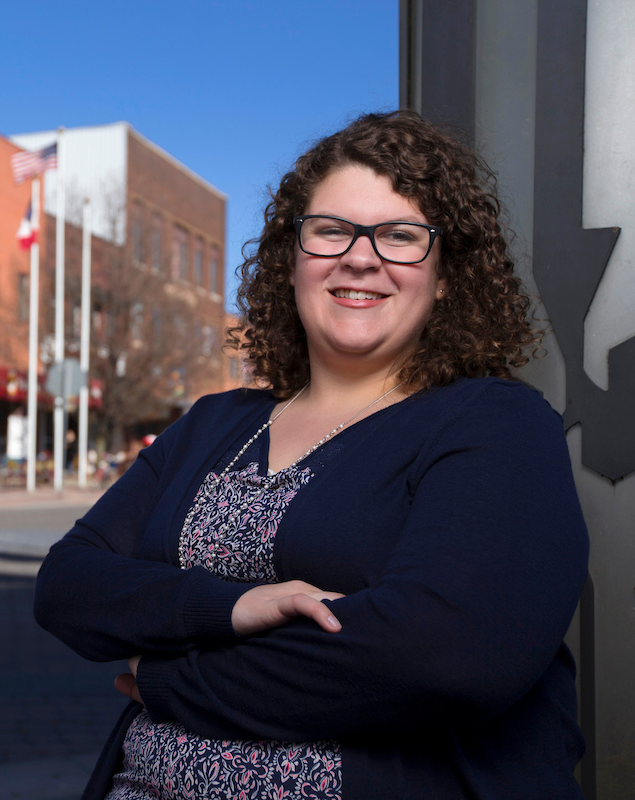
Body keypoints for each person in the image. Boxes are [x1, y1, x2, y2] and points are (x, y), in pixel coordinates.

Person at [34, 110, 589, 800]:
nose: (361, 257)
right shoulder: (216, 422)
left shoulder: (492, 425)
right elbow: (68, 585)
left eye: (400, 236)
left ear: (446, 276)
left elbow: (444, 658)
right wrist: (230, 609)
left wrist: (166, 678)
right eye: (331, 231)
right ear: (292, 259)